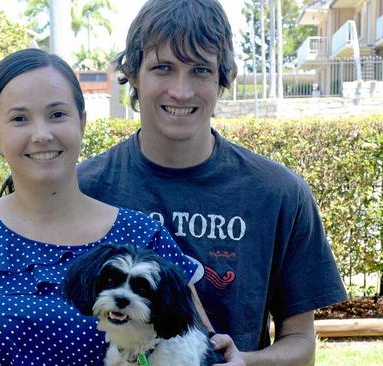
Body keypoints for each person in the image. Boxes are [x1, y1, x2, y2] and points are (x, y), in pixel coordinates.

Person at [78, 0, 348, 365]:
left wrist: (243, 362)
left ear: (222, 79)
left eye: (200, 70)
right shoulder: (83, 189)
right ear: (134, 74)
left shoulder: (278, 194)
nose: (181, 91)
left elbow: (302, 345)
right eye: (163, 68)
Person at [0, 48, 205, 365]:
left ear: (82, 122)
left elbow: (201, 349)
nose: (42, 135)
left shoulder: (144, 238)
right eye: (19, 118)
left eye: (57, 114)